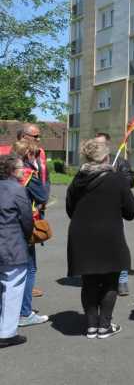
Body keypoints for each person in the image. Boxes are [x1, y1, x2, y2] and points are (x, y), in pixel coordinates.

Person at [66, 139, 134, 339]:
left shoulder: (77, 179)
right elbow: (130, 211)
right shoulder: (117, 179)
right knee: (110, 281)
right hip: (109, 234)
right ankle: (104, 325)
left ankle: (91, 326)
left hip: (81, 234)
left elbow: (70, 208)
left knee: (89, 280)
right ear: (106, 157)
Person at [12, 140, 49, 328]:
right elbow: (42, 196)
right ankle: (24, 312)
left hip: (6, 225)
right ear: (29, 156)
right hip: (24, 226)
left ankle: (10, 309)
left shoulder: (5, 173)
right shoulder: (28, 175)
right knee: (29, 269)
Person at [94, 132, 134, 296]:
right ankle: (98, 277)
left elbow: (130, 180)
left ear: (108, 145)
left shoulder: (120, 161)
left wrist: (116, 177)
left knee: (118, 246)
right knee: (96, 247)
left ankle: (122, 279)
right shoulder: (91, 162)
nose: (99, 147)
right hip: (95, 211)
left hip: (115, 211)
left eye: (101, 144)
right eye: (96, 144)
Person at [0, 154, 34, 348]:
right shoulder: (17, 190)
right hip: (11, 244)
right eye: (21, 167)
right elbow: (26, 219)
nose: (24, 170)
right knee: (13, 287)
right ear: (12, 170)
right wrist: (28, 237)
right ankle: (7, 333)